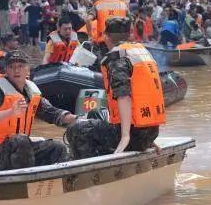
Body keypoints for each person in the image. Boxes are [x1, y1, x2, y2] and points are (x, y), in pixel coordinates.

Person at [65, 17, 166, 159]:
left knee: (77, 129)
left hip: (133, 133)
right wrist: (148, 139)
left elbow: (124, 95)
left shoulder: (116, 57)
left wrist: (125, 136)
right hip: (150, 131)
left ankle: (90, 171)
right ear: (129, 35)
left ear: (106, 37)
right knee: (96, 117)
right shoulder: (142, 52)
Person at [0, 50, 75, 169]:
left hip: (20, 150)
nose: (16, 70)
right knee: (21, 140)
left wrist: (77, 119)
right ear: (6, 71)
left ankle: (50, 180)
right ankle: (25, 181)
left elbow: (51, 113)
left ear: (28, 70)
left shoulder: (32, 92)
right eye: (11, 67)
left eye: (20, 66)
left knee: (57, 148)